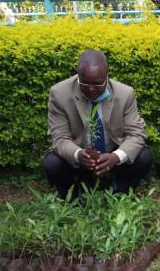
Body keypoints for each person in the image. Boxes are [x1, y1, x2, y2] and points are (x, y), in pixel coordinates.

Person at [44, 49, 152, 199]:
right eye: (85, 82)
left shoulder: (124, 93)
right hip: (80, 154)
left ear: (107, 77)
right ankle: (72, 197)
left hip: (112, 154)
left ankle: (120, 193)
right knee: (52, 163)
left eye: (97, 84)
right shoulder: (59, 93)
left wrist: (116, 156)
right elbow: (59, 137)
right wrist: (78, 154)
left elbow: (137, 134)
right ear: (78, 75)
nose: (91, 89)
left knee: (144, 156)